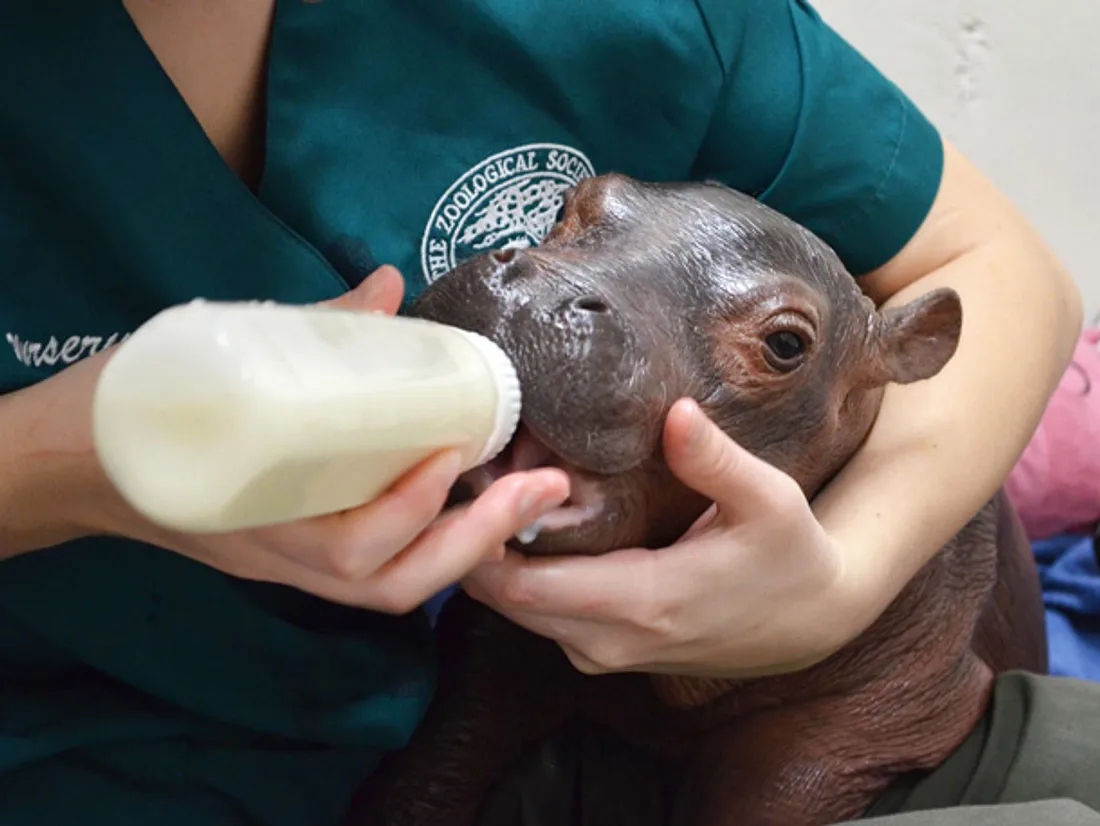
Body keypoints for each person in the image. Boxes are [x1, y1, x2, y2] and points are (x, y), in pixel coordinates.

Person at [0, 0, 1087, 824]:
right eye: (566, 225)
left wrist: (840, 583)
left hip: (635, 683)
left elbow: (994, 266)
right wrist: (71, 469)